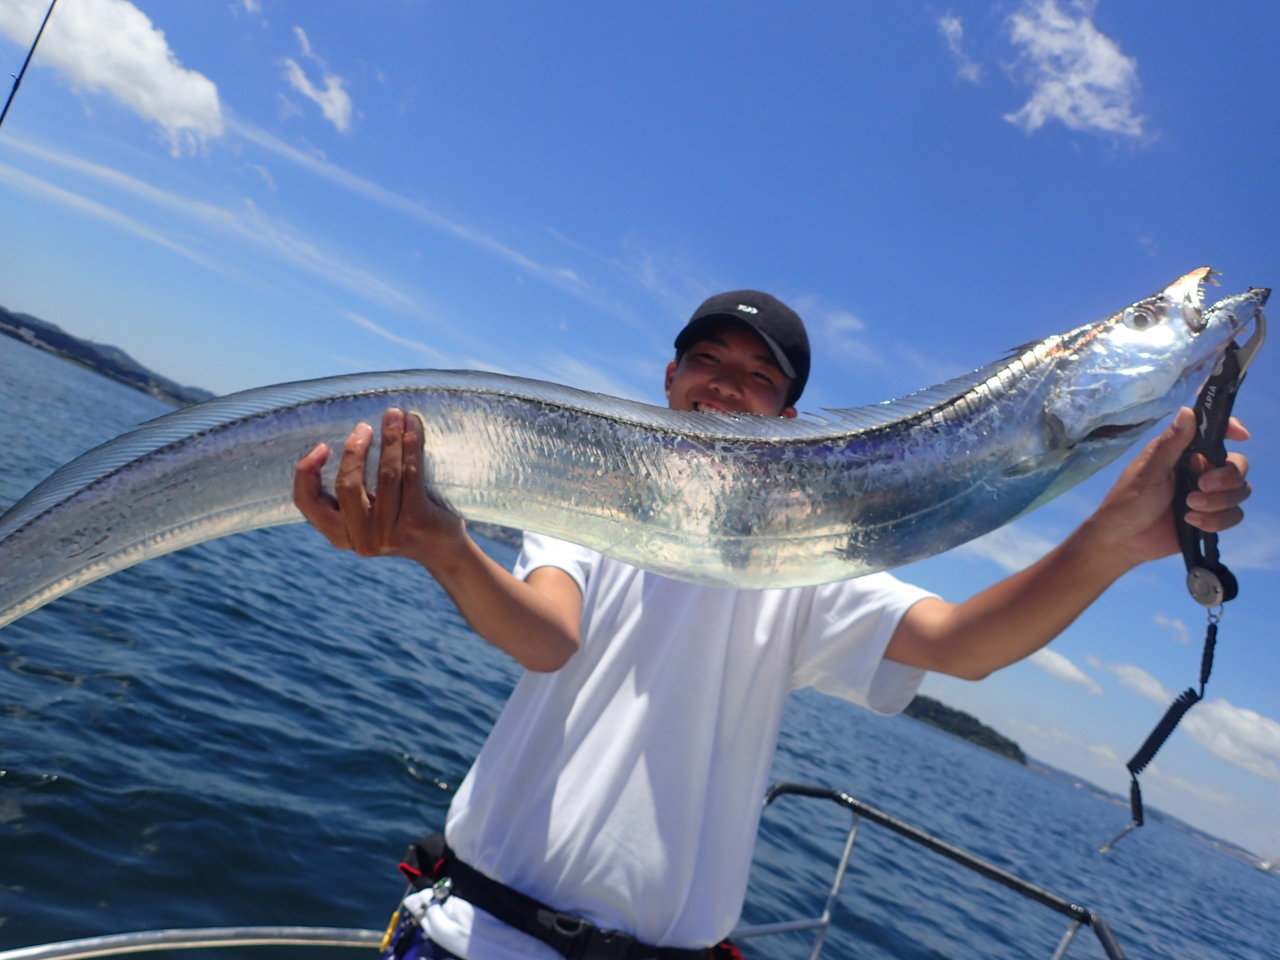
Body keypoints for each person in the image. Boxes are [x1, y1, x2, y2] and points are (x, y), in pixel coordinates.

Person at [293, 291, 1251, 960]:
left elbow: (964, 646)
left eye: (757, 375)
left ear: (787, 415)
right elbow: (548, 635)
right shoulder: (588, 506)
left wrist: (1115, 541)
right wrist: (447, 548)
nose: (724, 381)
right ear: (669, 376)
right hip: (478, 939)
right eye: (706, 357)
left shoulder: (807, 561)